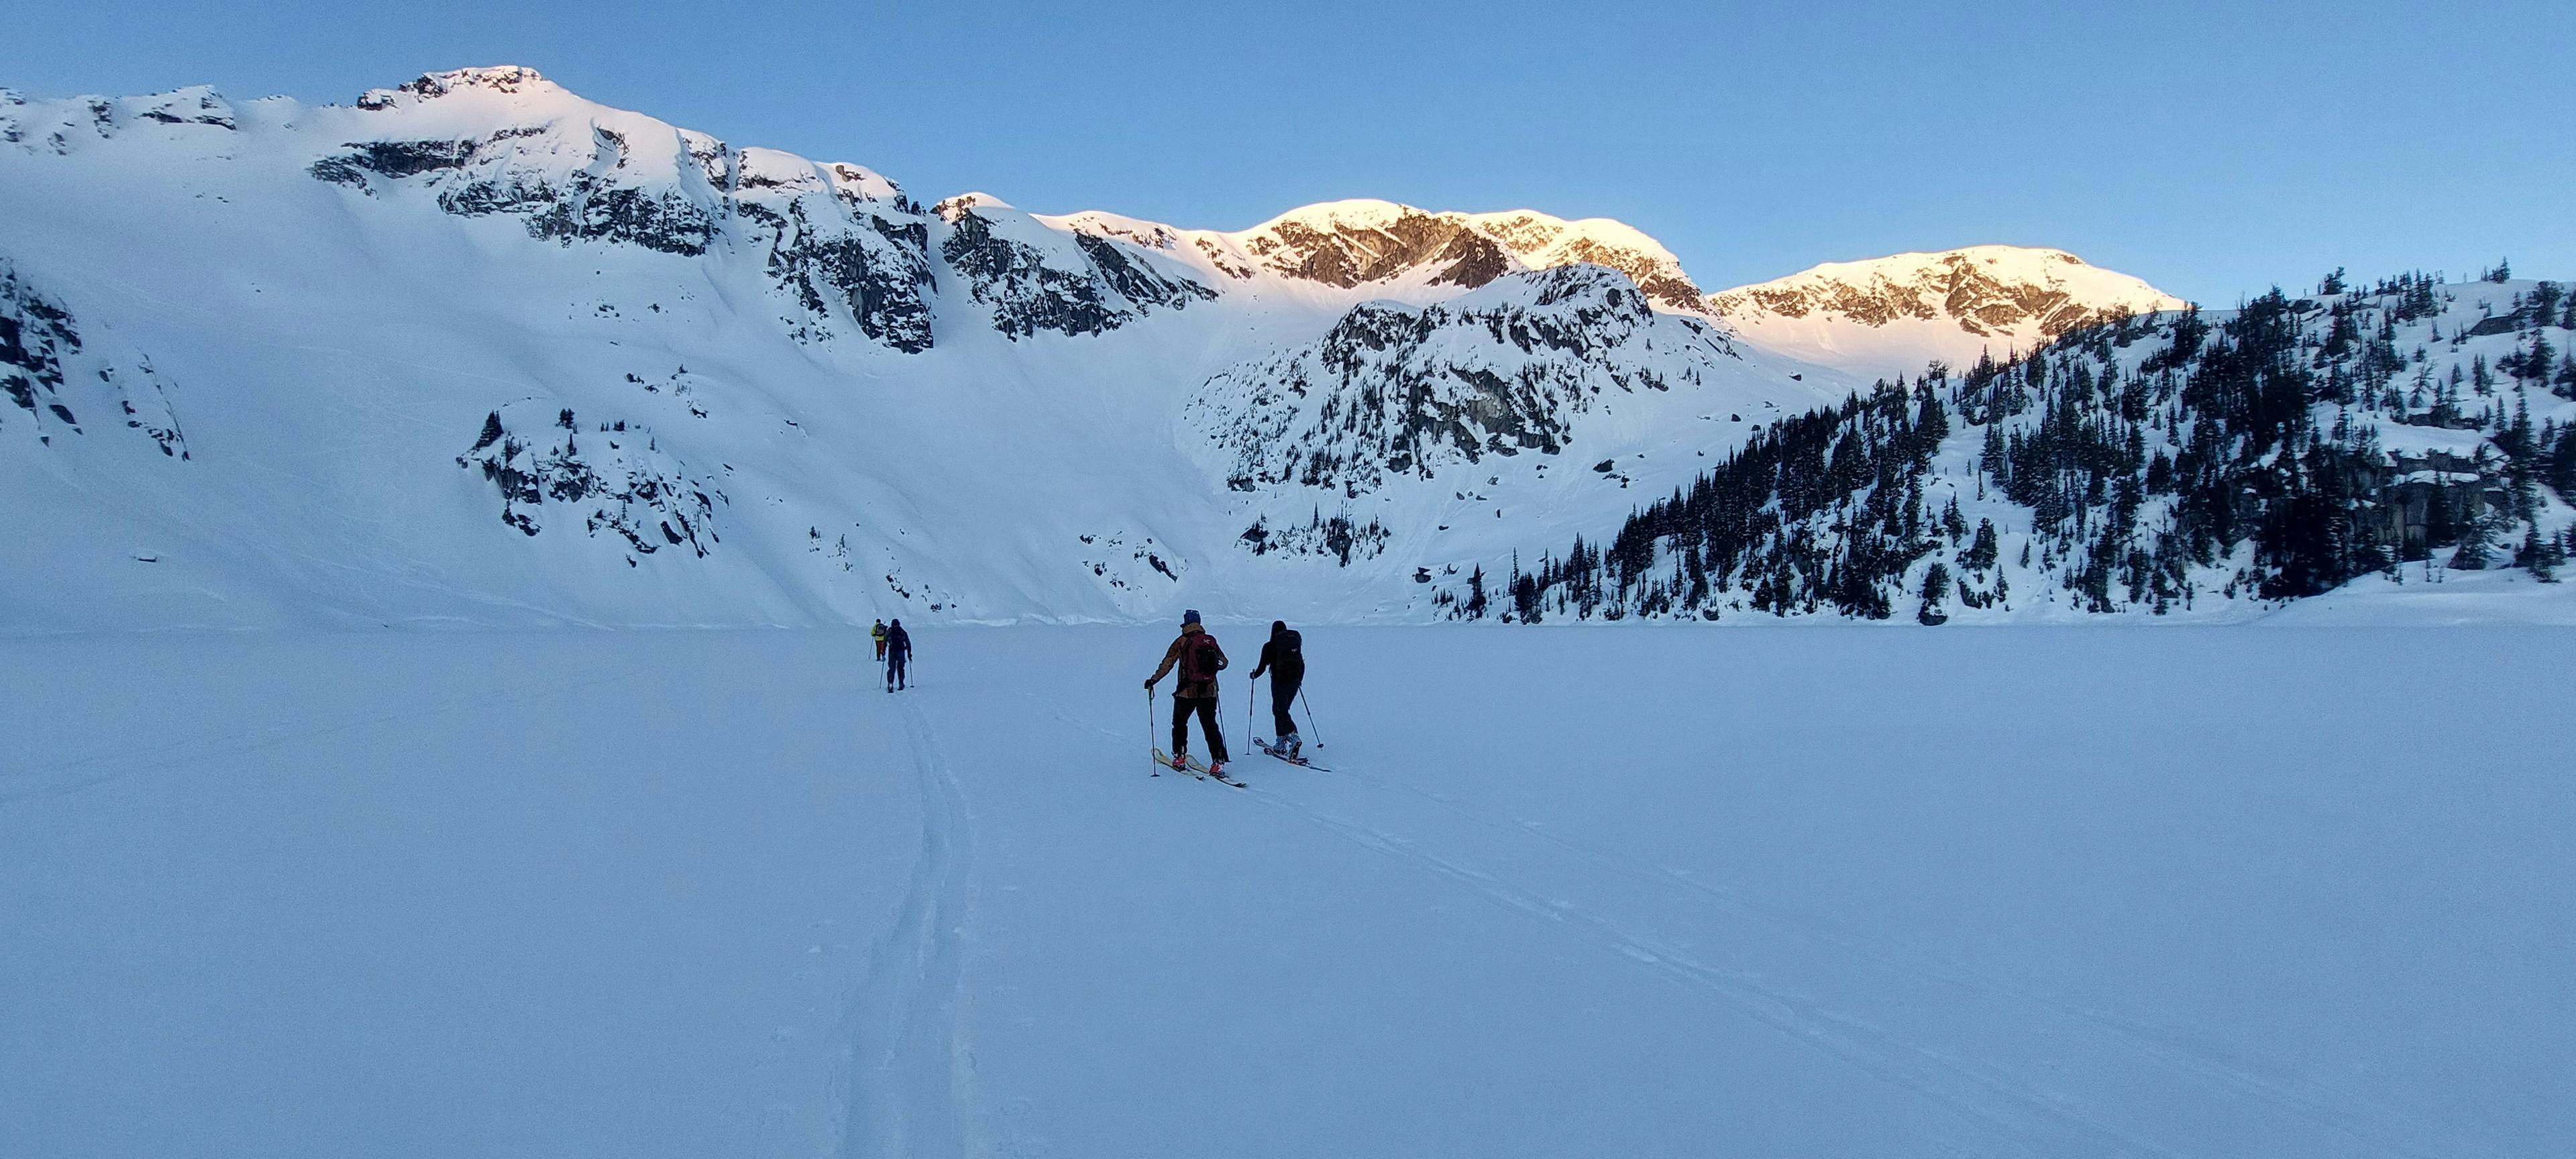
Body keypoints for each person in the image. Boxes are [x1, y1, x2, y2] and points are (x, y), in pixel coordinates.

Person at [1144, 609, 1228, 775]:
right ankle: (1218, 762)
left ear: (1186, 623)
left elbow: (1168, 663)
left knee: (1180, 724)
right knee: (1210, 726)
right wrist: (1211, 671)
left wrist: (1154, 679)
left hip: (1186, 692)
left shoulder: (1182, 641)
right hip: (1209, 692)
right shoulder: (1209, 641)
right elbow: (1224, 662)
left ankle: (1179, 757)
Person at [1247, 619, 1305, 759]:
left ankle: (1293, 736)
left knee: (1280, 711)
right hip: (1294, 682)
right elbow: (1301, 664)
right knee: (1280, 710)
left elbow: (1262, 667)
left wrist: (1254, 675)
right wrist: (1299, 681)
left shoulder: (1269, 646)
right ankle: (1280, 742)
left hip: (1279, 682)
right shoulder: (1293, 645)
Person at [883, 618, 912, 692]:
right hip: (901, 652)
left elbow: (885, 640)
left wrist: (883, 651)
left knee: (892, 669)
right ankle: (901, 683)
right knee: (901, 668)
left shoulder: (890, 631)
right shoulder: (902, 631)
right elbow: (908, 642)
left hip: (892, 651)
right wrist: (909, 653)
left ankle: (890, 684)